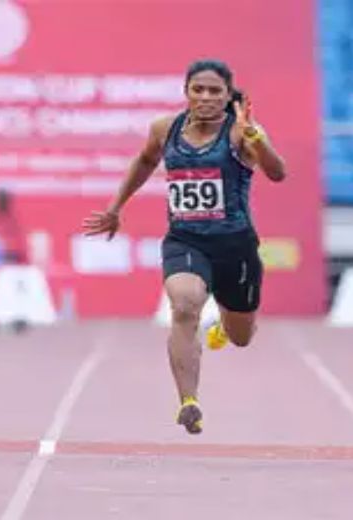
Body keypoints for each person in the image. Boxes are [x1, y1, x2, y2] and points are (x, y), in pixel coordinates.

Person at [82, 59, 286, 434]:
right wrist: (115, 208)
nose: (206, 97)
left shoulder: (241, 132)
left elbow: (278, 173)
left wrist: (255, 137)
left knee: (241, 337)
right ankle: (188, 402)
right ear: (186, 92)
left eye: (215, 91)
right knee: (184, 305)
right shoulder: (165, 129)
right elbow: (145, 161)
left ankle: (224, 321)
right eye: (198, 89)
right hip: (186, 239)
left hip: (235, 245)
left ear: (228, 96)